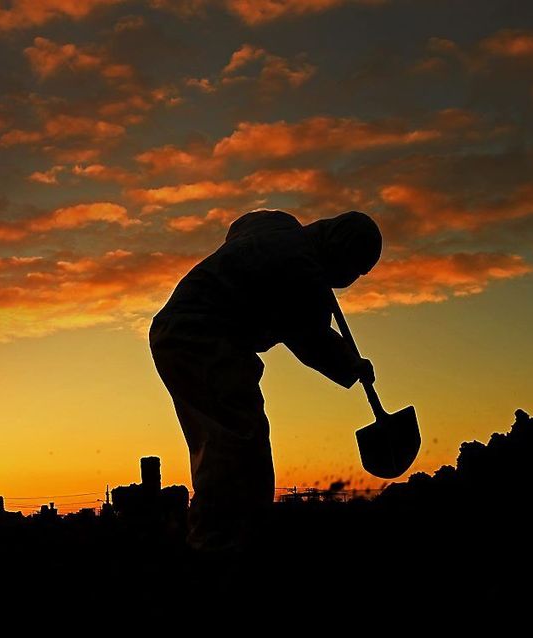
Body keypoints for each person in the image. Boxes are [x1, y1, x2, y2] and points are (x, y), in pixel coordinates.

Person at [149, 209, 382, 556]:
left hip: (179, 332)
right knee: (238, 442)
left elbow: (241, 224)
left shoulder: (281, 226)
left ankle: (230, 536)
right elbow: (310, 338)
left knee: (229, 437)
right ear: (339, 250)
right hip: (200, 336)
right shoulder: (300, 271)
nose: (350, 279)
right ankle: (222, 546)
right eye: (353, 269)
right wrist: (353, 366)